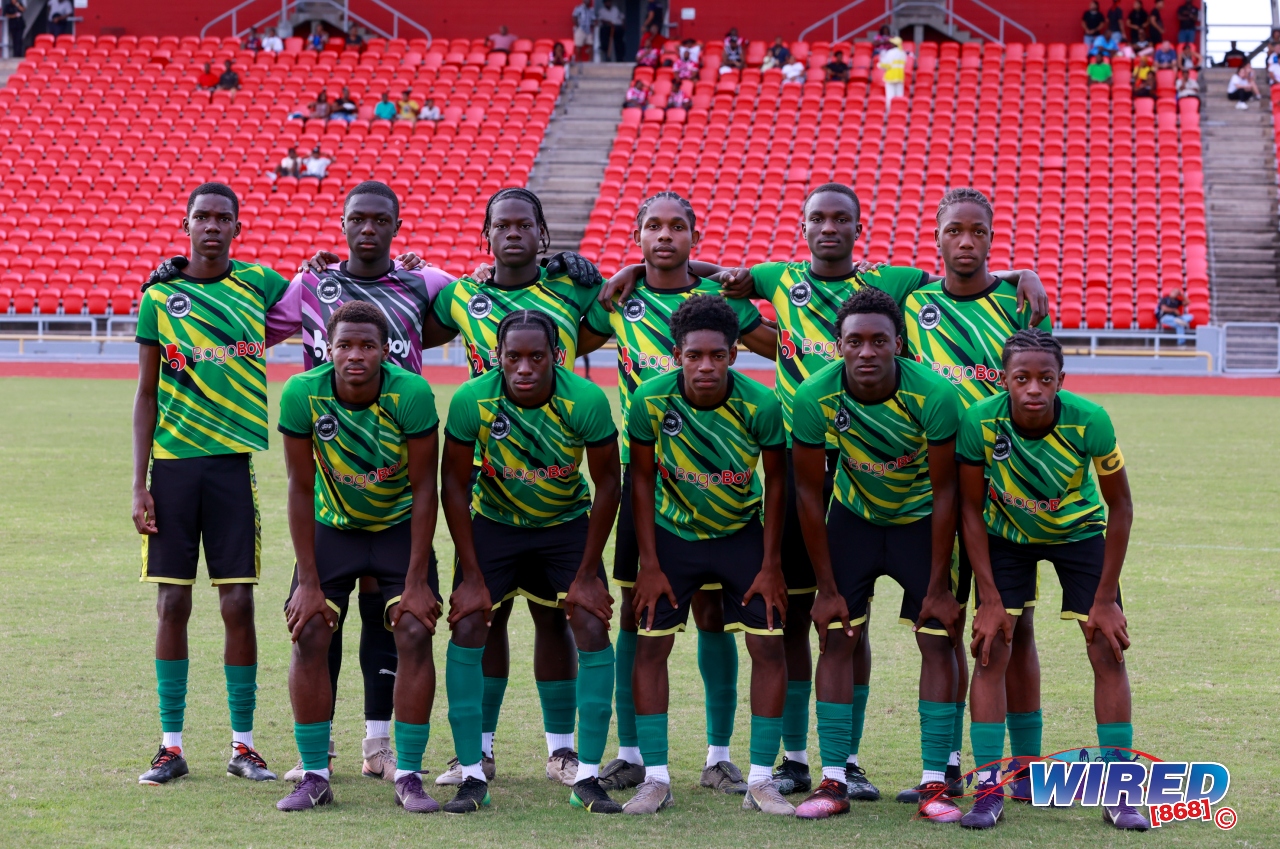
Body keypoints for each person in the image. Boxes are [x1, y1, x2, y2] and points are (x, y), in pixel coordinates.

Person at [603, 182, 1048, 802]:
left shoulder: (895, 285)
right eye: (818, 218)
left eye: (842, 218)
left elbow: (959, 273)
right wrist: (636, 266)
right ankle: (796, 759)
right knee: (804, 618)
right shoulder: (780, 278)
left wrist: (1023, 273)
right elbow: (714, 274)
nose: (830, 228)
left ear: (860, 228)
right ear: (804, 226)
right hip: (804, 466)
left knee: (967, 625)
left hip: (932, 472)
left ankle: (929, 765)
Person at [574, 193, 776, 796]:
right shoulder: (619, 299)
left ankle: (719, 755)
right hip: (650, 482)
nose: (665, 236)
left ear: (694, 234)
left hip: (723, 480)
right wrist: (621, 274)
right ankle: (633, 754)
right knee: (639, 615)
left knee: (717, 616)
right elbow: (563, 338)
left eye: (677, 227)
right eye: (653, 227)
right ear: (637, 234)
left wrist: (715, 275)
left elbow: (777, 344)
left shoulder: (718, 300)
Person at [423, 189, 607, 788]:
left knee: (555, 621)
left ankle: (562, 751)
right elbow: (406, 313)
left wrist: (606, 270)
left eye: (524, 225)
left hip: (557, 479)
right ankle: (477, 751)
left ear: (541, 233)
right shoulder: (462, 295)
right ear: (486, 235)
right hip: (490, 483)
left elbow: (622, 307)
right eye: (501, 225)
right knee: (487, 619)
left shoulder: (571, 289)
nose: (512, 234)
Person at [132, 182, 292, 787]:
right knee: (172, 603)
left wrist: (322, 265)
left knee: (238, 603)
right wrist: (138, 484)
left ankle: (243, 745)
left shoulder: (258, 283)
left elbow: (314, 294)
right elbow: (145, 394)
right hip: (171, 470)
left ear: (237, 228)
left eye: (224, 217)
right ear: (187, 225)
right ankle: (170, 747)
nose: (213, 226)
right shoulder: (160, 296)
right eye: (202, 216)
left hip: (231, 466)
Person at [957, 329, 1146, 831]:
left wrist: (1105, 599)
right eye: (1022, 378)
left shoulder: (1091, 420)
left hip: (1078, 533)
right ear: (1004, 380)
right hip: (1006, 535)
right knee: (991, 647)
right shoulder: (979, 421)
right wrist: (989, 597)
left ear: (1062, 379)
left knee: (1107, 646)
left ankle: (1120, 790)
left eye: (1045, 378)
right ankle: (991, 788)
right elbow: (969, 509)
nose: (1034, 388)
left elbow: (1122, 506)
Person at [788, 287, 963, 823]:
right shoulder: (814, 396)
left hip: (921, 521)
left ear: (899, 345)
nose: (867, 351)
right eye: (855, 341)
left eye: (879, 341)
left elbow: (948, 492)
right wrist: (826, 587)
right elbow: (808, 494)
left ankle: (936, 781)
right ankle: (834, 779)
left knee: (937, 638)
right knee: (837, 636)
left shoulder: (934, 394)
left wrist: (939, 584)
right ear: (838, 345)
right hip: (854, 519)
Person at [902, 189, 1053, 808]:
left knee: (1016, 630)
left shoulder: (1019, 304)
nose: (966, 242)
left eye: (978, 232)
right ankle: (943, 767)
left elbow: (1038, 383)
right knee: (938, 629)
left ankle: (1026, 768)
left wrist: (1025, 274)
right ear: (936, 237)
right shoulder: (913, 303)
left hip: (1004, 496)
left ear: (992, 237)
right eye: (954, 231)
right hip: (933, 493)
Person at [440, 309, 622, 814]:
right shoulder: (471, 399)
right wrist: (470, 575)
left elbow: (609, 483)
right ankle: (473, 771)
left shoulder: (585, 400)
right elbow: (452, 483)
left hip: (564, 524)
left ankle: (584, 773)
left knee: (589, 622)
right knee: (471, 622)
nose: (524, 367)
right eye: (513, 356)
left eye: (536, 357)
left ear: (555, 357)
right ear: (496, 356)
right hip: (494, 523)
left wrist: (588, 573)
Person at [623, 295, 791, 816]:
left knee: (768, 647)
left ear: (734, 355)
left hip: (741, 535)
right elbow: (640, 479)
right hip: (672, 538)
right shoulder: (650, 400)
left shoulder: (761, 404)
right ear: (677, 355)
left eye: (717, 355)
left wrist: (771, 564)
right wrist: (649, 564)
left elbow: (778, 482)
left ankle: (761, 780)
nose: (705, 366)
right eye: (694, 355)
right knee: (650, 647)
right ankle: (656, 779)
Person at [272, 301, 443, 812]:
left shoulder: (410, 393)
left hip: (396, 527)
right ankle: (314, 774)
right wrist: (307, 582)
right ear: (328, 348)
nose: (355, 355)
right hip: (334, 528)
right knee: (309, 631)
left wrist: (417, 580)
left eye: (367, 345)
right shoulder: (302, 393)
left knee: (414, 630)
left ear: (385, 350)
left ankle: (408, 776)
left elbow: (425, 488)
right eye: (344, 345)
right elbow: (299, 488)